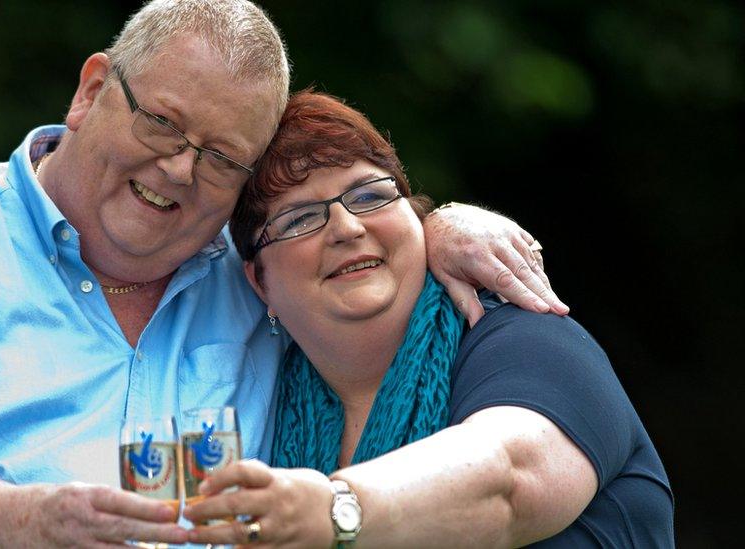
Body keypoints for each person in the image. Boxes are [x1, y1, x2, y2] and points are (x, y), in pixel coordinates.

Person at [0, 1, 566, 547]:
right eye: (162, 123)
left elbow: (347, 238)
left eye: (222, 157)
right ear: (92, 89)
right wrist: (27, 523)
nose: (177, 169)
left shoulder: (255, 275)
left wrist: (439, 225)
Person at [183, 90, 673, 547]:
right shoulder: (261, 403)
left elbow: (508, 480)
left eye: (370, 196)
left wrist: (334, 511)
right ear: (258, 282)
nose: (347, 228)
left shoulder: (530, 339)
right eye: (299, 219)